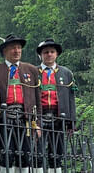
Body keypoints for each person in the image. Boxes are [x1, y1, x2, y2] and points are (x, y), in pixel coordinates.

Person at [0, 34, 42, 173]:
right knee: (7, 154)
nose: (17, 51)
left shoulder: (31, 70)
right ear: (5, 51)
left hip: (25, 118)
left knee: (26, 154)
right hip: (4, 117)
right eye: (12, 48)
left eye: (18, 48)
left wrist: (37, 123)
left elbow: (37, 99)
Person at [35, 38, 76, 173]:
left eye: (52, 52)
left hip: (59, 117)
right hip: (39, 117)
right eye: (46, 52)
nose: (49, 54)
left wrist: (71, 122)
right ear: (40, 55)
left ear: (57, 54)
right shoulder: (33, 72)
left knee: (57, 152)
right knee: (37, 151)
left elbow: (71, 98)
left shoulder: (66, 73)